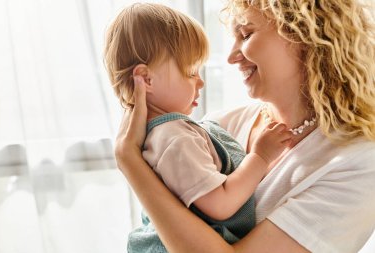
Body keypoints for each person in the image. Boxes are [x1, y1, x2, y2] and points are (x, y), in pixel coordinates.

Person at [113, 0, 375, 252]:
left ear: (304, 34)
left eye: (246, 34)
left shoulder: (357, 164)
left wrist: (130, 162)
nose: (231, 57)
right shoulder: (216, 126)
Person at [104, 3, 293, 252]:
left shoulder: (166, 134)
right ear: (147, 79)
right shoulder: (174, 137)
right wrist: (260, 156)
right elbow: (221, 205)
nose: (200, 82)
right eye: (191, 71)